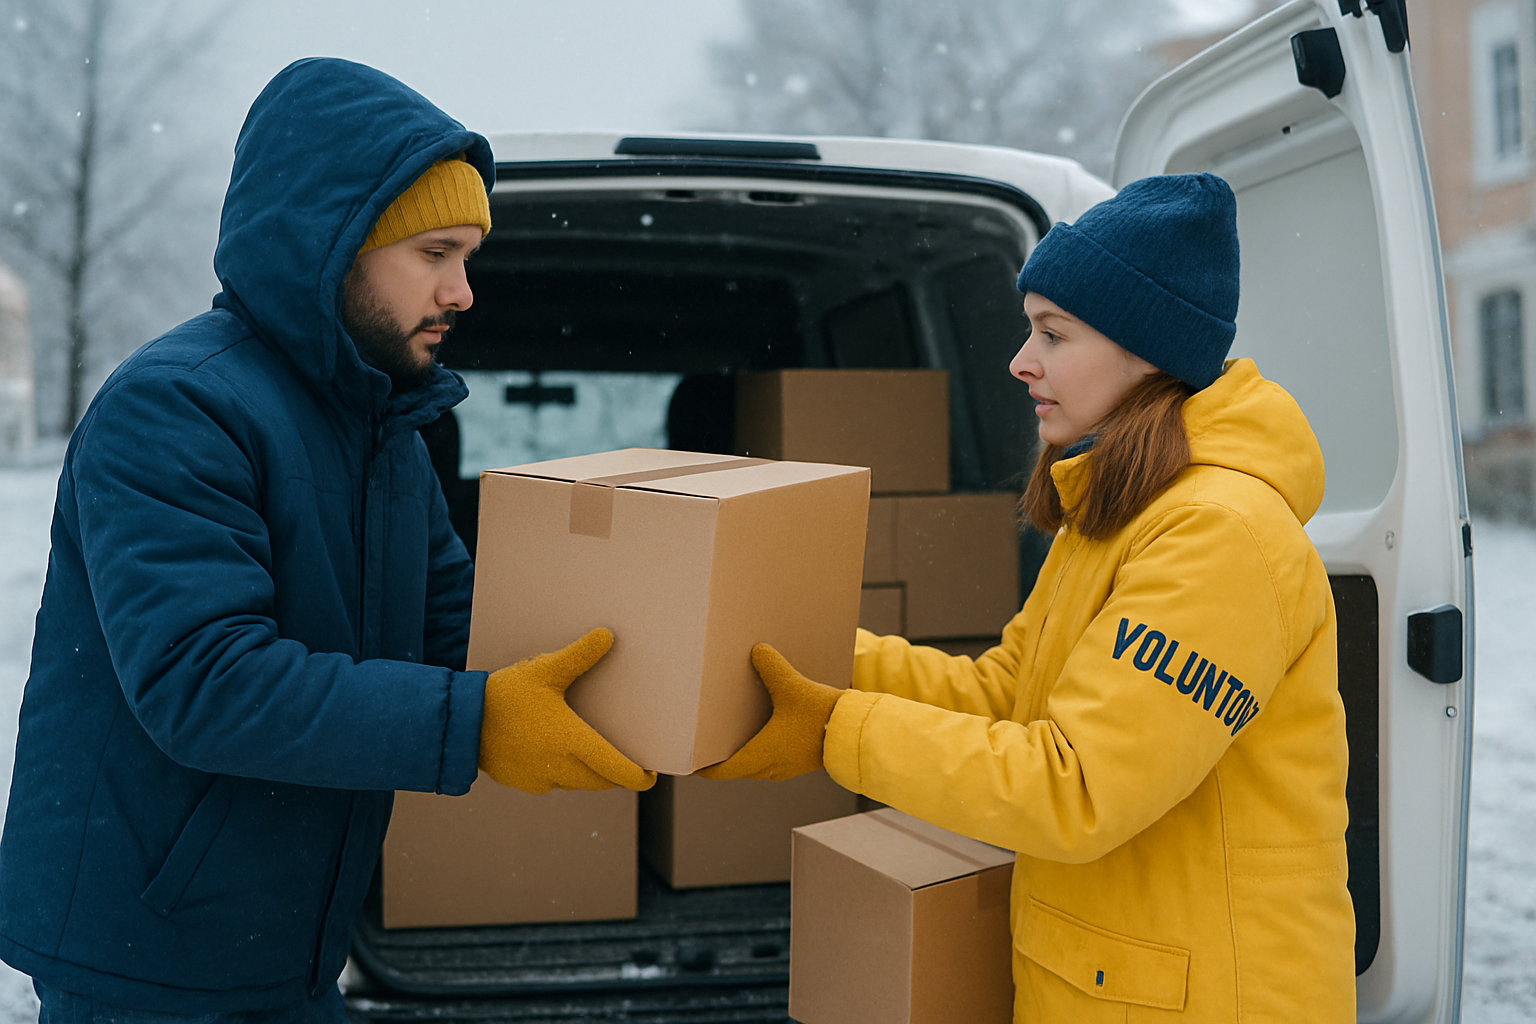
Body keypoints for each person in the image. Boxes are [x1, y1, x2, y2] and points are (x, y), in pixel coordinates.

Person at [0, 58, 652, 1021]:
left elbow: (453, 625)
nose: (463, 291)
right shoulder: (177, 406)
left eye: (468, 256)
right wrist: (479, 723)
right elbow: (205, 681)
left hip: (287, 943)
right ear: (334, 244)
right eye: (435, 253)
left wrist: (648, 680)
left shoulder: (381, 430)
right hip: (148, 957)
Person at [703, 173, 1356, 1021]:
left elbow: (1075, 790)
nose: (1021, 361)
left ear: (1146, 348)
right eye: (1028, 330)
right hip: (1109, 986)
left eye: (1054, 332)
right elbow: (1003, 695)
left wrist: (832, 729)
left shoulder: (1221, 535)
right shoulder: (1122, 509)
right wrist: (813, 656)